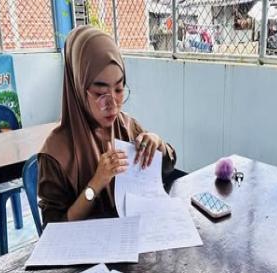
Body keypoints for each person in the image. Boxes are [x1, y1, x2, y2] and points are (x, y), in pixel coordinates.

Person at [38, 26, 176, 225]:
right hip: (86, 243)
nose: (113, 105)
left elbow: (169, 165)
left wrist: (158, 144)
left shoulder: (127, 127)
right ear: (78, 89)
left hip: (130, 234)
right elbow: (53, 228)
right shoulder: (56, 153)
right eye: (100, 93)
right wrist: (96, 184)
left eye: (119, 89)